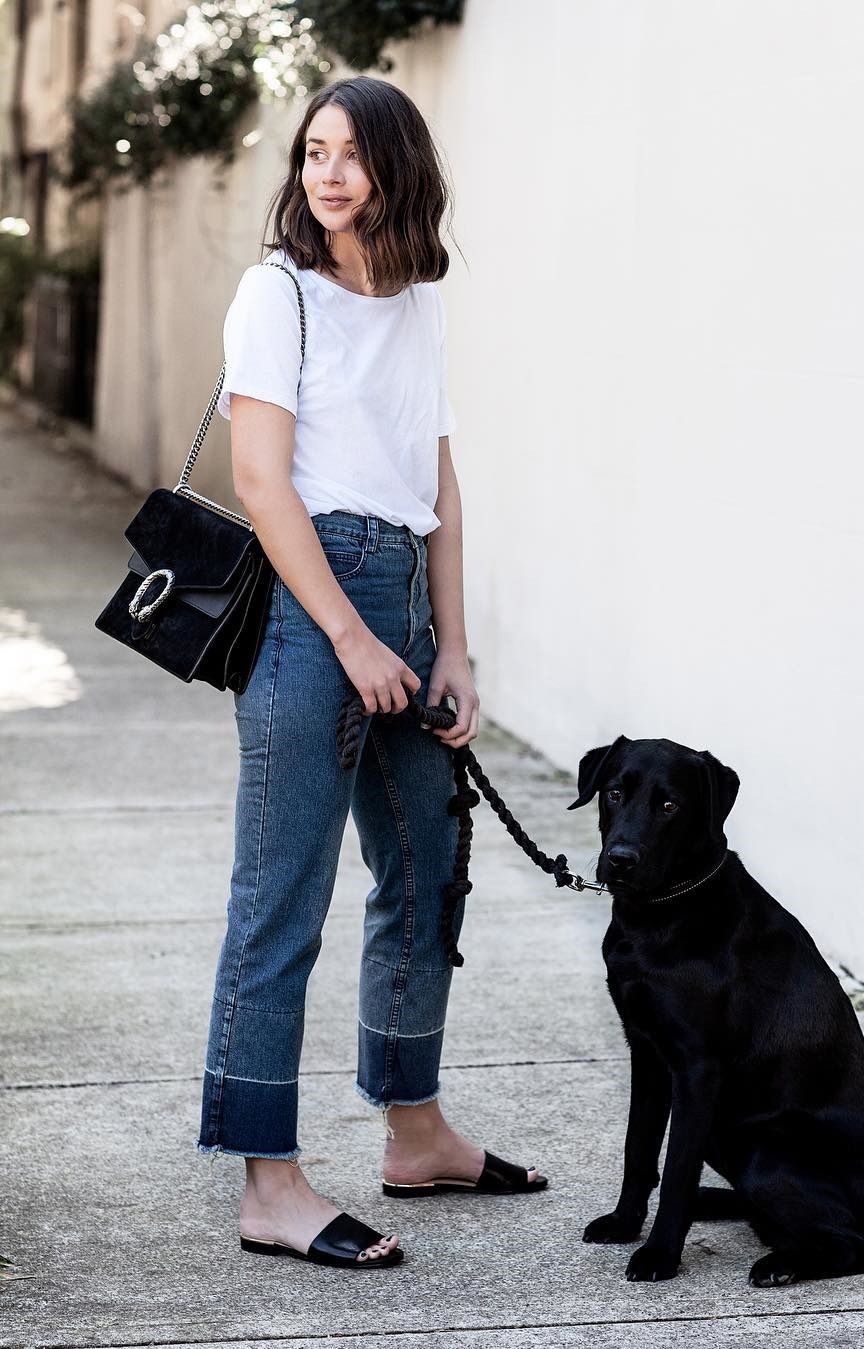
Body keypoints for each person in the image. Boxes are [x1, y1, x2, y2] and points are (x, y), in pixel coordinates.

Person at [195, 75, 546, 1271]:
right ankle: (271, 1183)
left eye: (351, 152)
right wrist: (351, 636)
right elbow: (259, 481)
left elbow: (439, 487)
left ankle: (415, 1128)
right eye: (313, 152)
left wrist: (452, 644)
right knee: (281, 893)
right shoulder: (275, 292)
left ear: (399, 165)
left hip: (397, 578)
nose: (328, 172)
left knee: (427, 870)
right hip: (313, 602)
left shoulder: (417, 302)